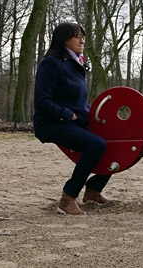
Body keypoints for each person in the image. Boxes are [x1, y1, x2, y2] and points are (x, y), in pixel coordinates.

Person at [34, 22, 111, 215]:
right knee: (96, 144)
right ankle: (67, 199)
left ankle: (93, 190)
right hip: (51, 123)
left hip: (74, 121)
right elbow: (42, 101)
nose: (82, 40)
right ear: (64, 40)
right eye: (77, 36)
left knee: (111, 140)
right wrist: (69, 115)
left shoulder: (76, 64)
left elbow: (78, 101)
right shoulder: (51, 63)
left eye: (83, 36)